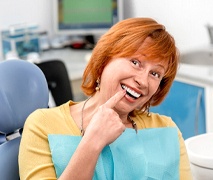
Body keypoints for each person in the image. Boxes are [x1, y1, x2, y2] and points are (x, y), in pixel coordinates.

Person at [19, 17, 192, 179]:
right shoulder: (41, 125)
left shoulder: (167, 130)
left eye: (155, 73)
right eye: (135, 62)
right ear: (104, 61)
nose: (143, 81)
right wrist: (93, 142)